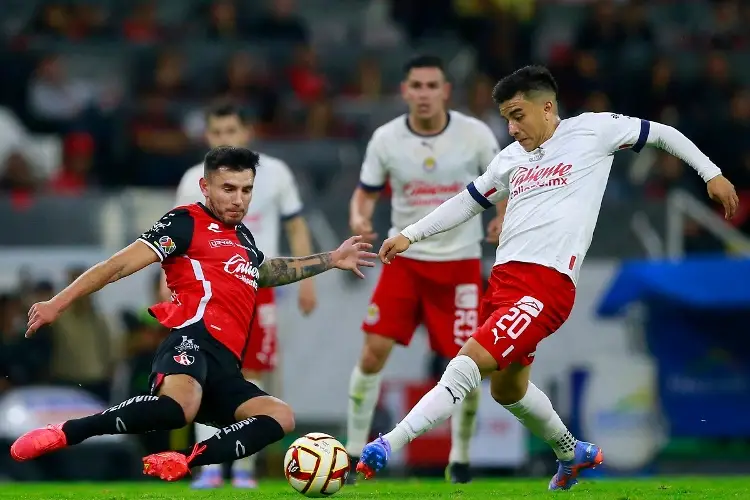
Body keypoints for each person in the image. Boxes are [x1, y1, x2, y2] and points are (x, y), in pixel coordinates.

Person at [356, 65, 739, 490]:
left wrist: (711, 173)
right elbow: (467, 202)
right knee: (507, 390)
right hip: (503, 285)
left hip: (547, 285)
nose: (512, 127)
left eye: (518, 115)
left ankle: (387, 445)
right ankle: (571, 452)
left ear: (548, 107)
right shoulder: (510, 159)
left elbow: (663, 133)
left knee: (466, 362)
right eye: (506, 118)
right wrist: (411, 233)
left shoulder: (593, 131)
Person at [10, 146, 377, 483]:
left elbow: (267, 271)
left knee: (280, 416)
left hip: (226, 362)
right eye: (228, 188)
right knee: (179, 409)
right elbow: (117, 265)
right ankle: (68, 432)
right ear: (205, 186)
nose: (238, 200)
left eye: (246, 190)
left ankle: (186, 460)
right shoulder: (184, 222)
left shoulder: (244, 238)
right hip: (192, 337)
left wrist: (331, 259)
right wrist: (58, 302)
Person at [346, 54, 504, 484]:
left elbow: (504, 179)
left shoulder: (474, 135)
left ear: (445, 91)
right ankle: (355, 451)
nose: (424, 94)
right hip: (405, 262)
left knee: (468, 364)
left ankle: (461, 457)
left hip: (460, 265)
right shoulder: (386, 138)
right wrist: (360, 218)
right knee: (372, 353)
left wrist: (501, 216)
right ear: (405, 91)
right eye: (416, 86)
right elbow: (365, 193)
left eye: (432, 86)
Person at [169, 101, 317, 489]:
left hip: (256, 289)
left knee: (252, 376)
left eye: (230, 132)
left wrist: (307, 280)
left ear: (246, 133)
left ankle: (245, 467)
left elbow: (296, 225)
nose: (224, 139)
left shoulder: (277, 174)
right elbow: (173, 242)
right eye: (217, 133)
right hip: (205, 293)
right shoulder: (192, 180)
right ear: (207, 136)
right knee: (200, 376)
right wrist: (165, 287)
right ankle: (211, 468)